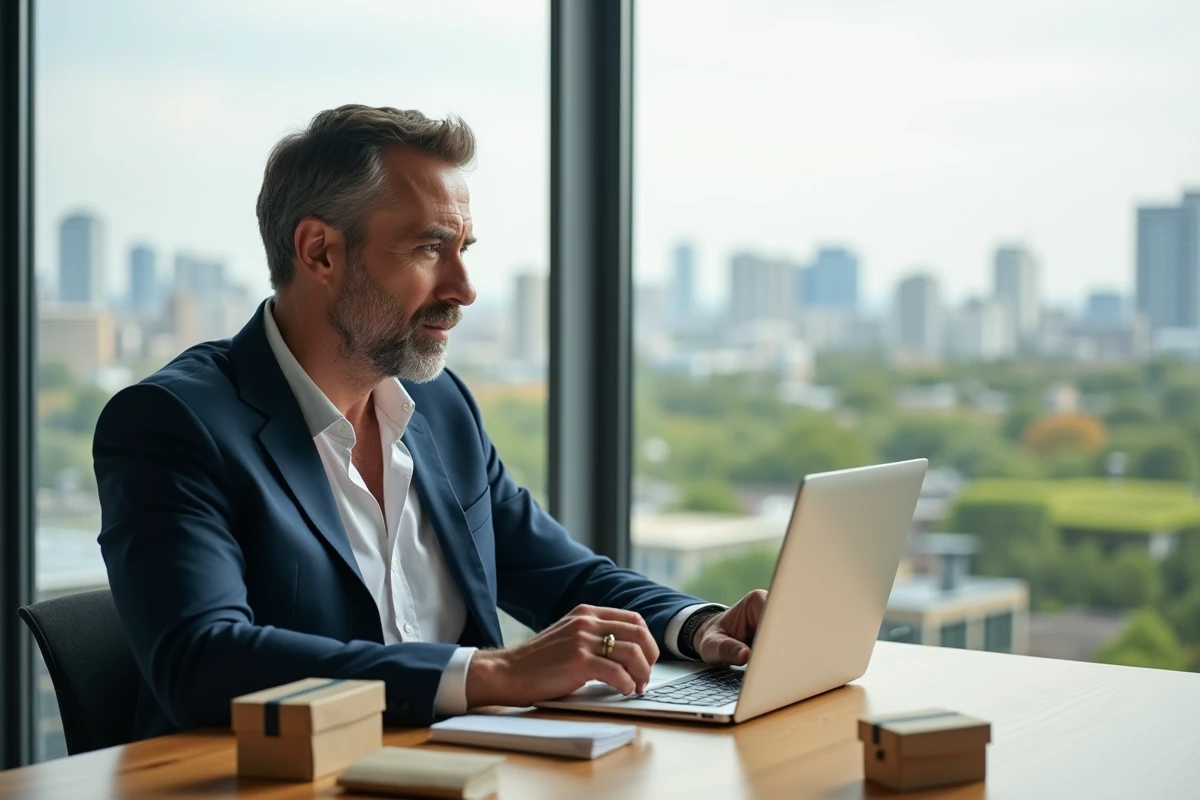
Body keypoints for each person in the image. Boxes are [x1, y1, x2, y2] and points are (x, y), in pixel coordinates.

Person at [95, 104, 766, 740]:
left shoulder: (443, 410)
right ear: (320, 252)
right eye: (429, 249)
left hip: (455, 770)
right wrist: (493, 672)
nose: (464, 288)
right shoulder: (173, 424)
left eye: (465, 248)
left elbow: (563, 577)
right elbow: (202, 658)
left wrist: (700, 626)